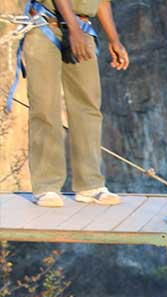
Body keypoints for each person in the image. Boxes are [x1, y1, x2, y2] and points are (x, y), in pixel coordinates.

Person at [24, 0, 128, 207]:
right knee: (45, 107)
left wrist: (114, 39)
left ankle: (90, 185)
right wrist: (73, 29)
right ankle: (47, 186)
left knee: (88, 107)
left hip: (82, 28)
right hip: (46, 25)